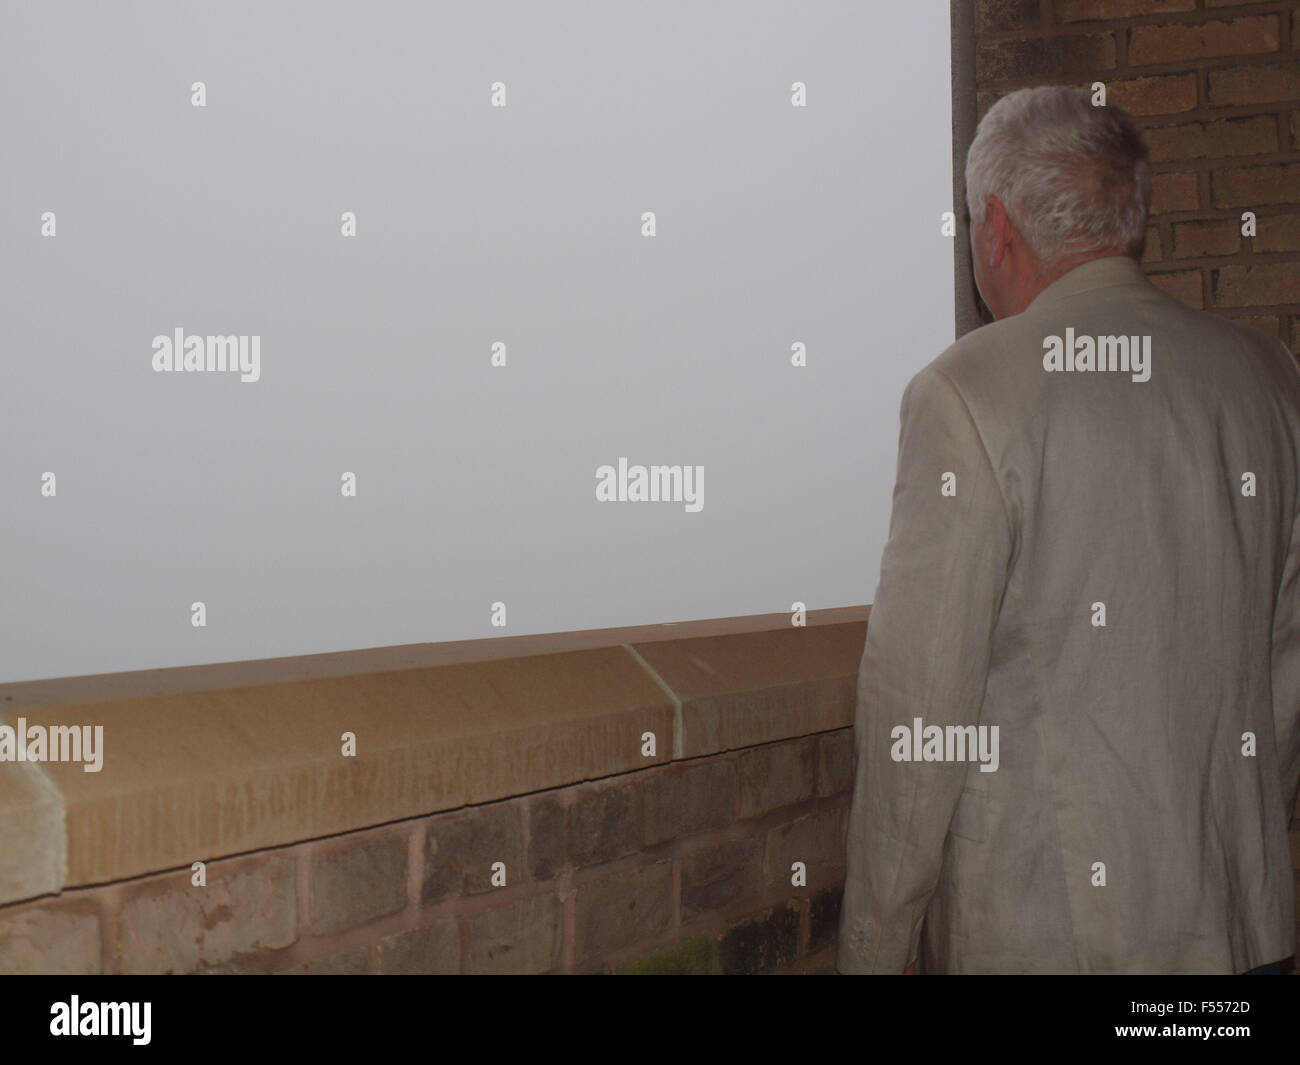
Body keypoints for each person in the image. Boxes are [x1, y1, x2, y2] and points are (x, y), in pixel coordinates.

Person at [836, 85, 1300, 974]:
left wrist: (874, 950)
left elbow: (920, 719)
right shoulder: (1269, 383)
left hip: (1046, 944)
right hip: (1242, 941)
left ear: (997, 228)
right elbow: (1280, 680)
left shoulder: (967, 395)